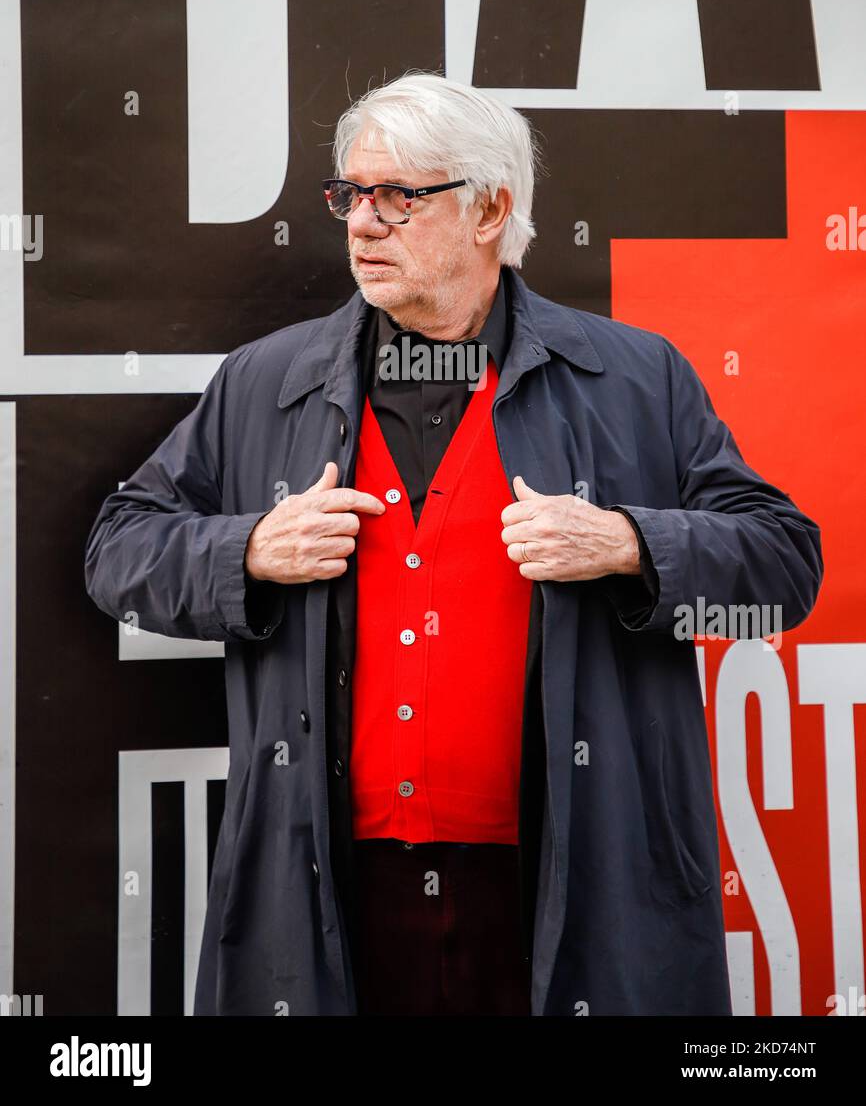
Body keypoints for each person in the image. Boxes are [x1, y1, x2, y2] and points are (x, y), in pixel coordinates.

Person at [84, 71, 823, 1016]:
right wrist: (248, 551)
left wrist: (631, 540)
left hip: (571, 881)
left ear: (490, 209)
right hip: (332, 892)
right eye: (350, 195)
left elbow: (785, 566)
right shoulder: (268, 381)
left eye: (399, 196)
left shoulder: (634, 377)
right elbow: (118, 547)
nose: (361, 222)